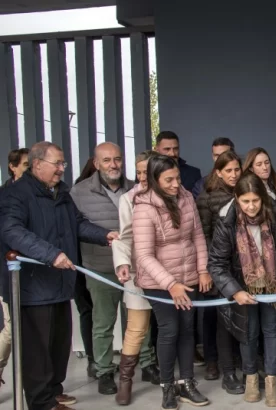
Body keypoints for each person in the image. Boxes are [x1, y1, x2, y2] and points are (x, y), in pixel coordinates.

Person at [0, 141, 116, 410]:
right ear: (37, 164)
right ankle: (42, 404)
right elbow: (12, 232)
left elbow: (76, 224)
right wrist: (50, 254)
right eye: (58, 164)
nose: (62, 169)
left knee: (58, 346)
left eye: (63, 163)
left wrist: (104, 235)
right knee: (37, 351)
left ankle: (52, 395)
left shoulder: (61, 192)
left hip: (60, 285)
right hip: (32, 289)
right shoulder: (15, 195)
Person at [132, 155, 212, 409]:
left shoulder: (187, 197)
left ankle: (187, 382)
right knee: (169, 330)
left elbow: (198, 236)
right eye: (169, 180)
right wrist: (170, 284)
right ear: (155, 180)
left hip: (188, 277)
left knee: (188, 330)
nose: (176, 184)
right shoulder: (144, 207)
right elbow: (144, 255)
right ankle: (167, 386)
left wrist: (202, 271)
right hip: (159, 283)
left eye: (177, 178)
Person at [208, 173, 276, 407]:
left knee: (272, 330)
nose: (251, 206)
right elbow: (216, 263)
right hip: (242, 286)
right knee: (249, 332)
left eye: (256, 200)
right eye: (245, 201)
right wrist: (235, 291)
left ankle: (272, 381)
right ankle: (251, 380)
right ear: (237, 199)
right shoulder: (226, 220)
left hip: (272, 284)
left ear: (263, 198)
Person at [70, 142, 146, 395]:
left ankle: (147, 363)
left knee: (140, 319)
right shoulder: (78, 192)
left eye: (117, 159)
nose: (114, 165)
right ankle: (103, 371)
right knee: (103, 322)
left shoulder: (136, 188)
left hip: (136, 266)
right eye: (107, 160)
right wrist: (104, 235)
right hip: (100, 266)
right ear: (96, 163)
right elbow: (76, 227)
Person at [111, 150, 162, 405]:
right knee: (136, 327)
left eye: (146, 171)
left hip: (169, 271)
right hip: (139, 270)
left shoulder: (173, 193)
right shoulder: (128, 199)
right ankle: (126, 381)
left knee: (170, 326)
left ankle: (171, 377)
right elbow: (125, 236)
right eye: (138, 171)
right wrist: (122, 263)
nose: (142, 177)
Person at [195, 150, 245, 392]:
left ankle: (244, 366)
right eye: (228, 171)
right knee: (223, 322)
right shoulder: (206, 197)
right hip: (219, 266)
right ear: (218, 172)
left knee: (241, 319)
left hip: (243, 266)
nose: (234, 175)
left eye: (237, 169)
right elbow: (202, 235)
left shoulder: (245, 191)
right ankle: (228, 373)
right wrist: (207, 270)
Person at [241, 147, 276, 367]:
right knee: (250, 329)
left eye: (267, 162)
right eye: (259, 164)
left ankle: (271, 373)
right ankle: (252, 373)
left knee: (272, 326)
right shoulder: (234, 210)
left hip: (272, 278)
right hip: (246, 282)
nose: (265, 167)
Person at [0, 147, 29, 385]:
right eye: (26, 165)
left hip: (37, 274)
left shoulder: (40, 194)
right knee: (11, 329)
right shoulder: (4, 196)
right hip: (10, 272)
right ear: (13, 166)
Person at [72, 157, 98, 378]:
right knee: (88, 311)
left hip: (108, 261)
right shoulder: (75, 194)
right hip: (82, 263)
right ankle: (94, 360)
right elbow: (78, 227)